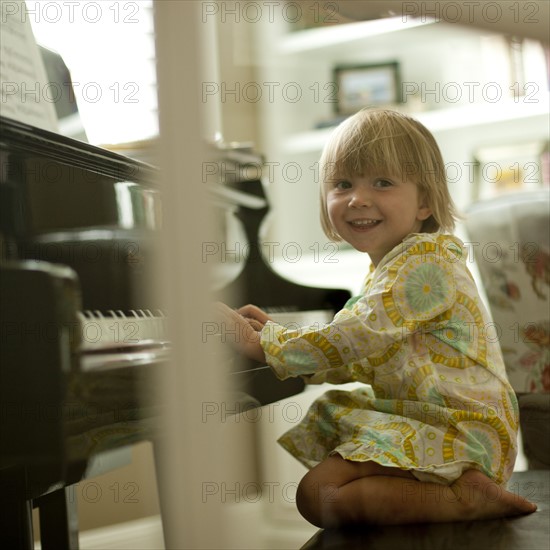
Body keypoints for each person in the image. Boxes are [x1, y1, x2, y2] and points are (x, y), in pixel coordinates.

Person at [216, 108, 537, 527]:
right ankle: (456, 496)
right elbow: (362, 356)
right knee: (321, 493)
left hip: (462, 434)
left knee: (320, 495)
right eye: (343, 184)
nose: (358, 198)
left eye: (382, 182)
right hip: (428, 420)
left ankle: (465, 498)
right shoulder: (390, 268)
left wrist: (267, 343)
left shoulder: (427, 263)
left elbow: (358, 335)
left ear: (425, 201)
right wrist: (280, 344)